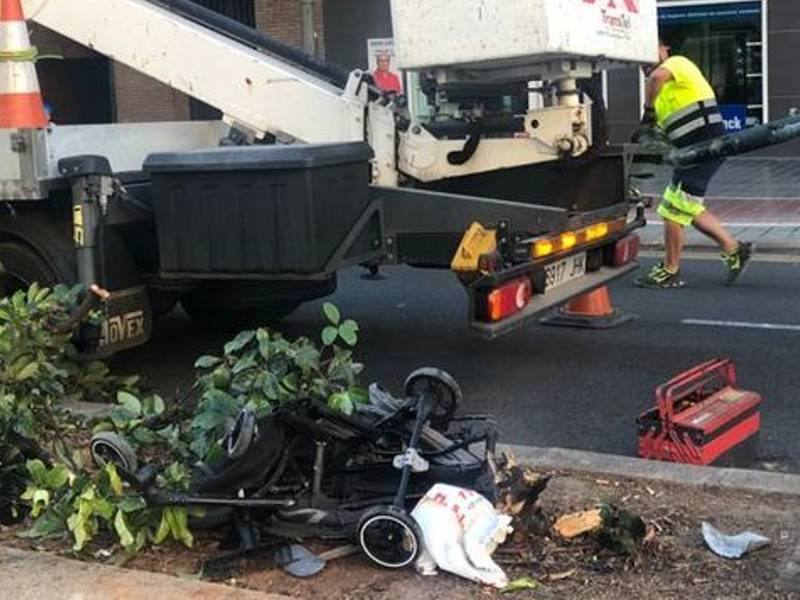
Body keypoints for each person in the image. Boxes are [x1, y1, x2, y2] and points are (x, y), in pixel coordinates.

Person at [634, 39, 753, 289]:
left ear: (665, 48)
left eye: (650, 51)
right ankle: (734, 249)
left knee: (673, 210)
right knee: (686, 206)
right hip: (690, 152)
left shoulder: (676, 64)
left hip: (706, 147)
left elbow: (656, 77)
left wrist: (648, 111)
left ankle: (670, 270)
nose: (646, 61)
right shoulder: (664, 93)